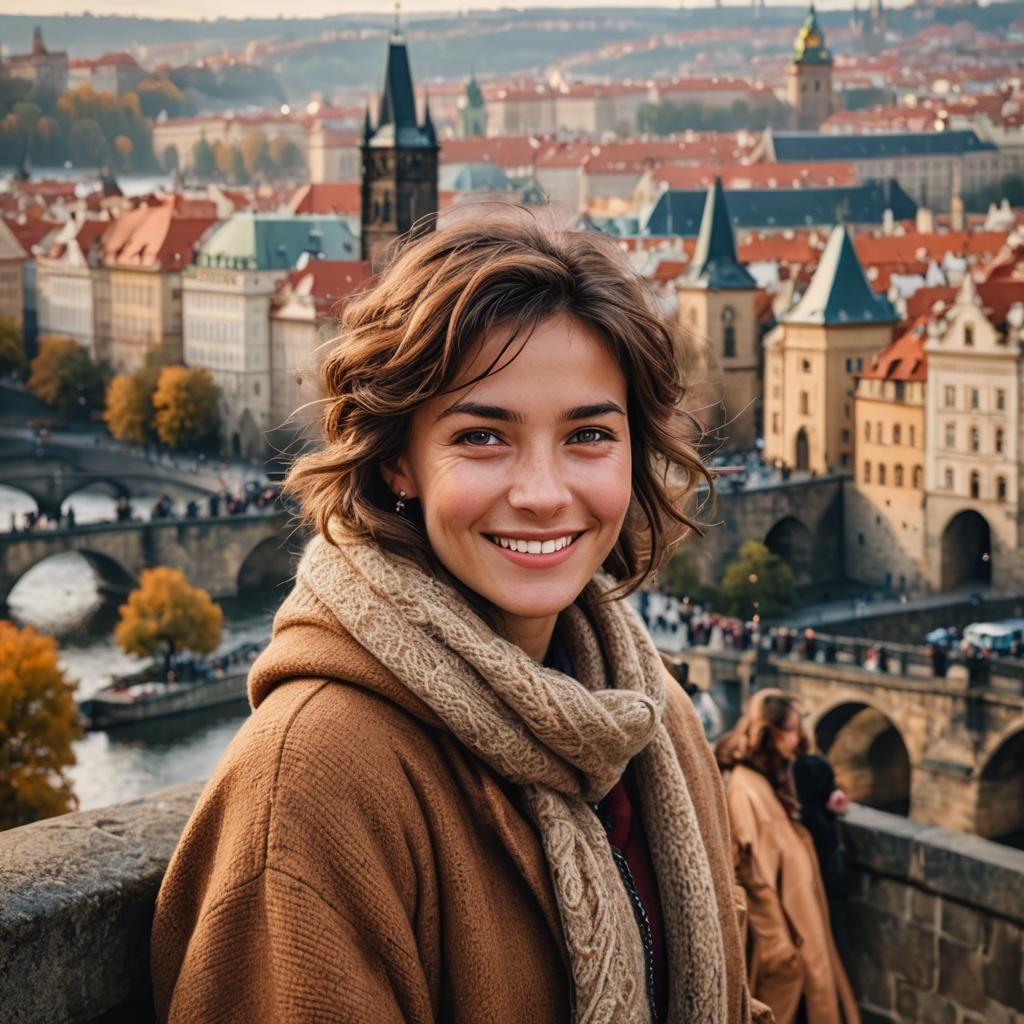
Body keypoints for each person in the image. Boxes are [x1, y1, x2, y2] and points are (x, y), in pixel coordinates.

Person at [151, 216, 767, 1023]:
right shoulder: (312, 782)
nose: (544, 492)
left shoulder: (653, 717)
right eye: (483, 436)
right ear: (398, 459)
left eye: (588, 434)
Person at [716, 689, 859, 1024]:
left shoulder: (770, 779)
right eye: (792, 730)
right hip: (789, 937)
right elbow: (748, 872)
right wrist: (781, 950)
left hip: (802, 922)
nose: (798, 739)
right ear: (769, 733)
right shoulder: (745, 789)